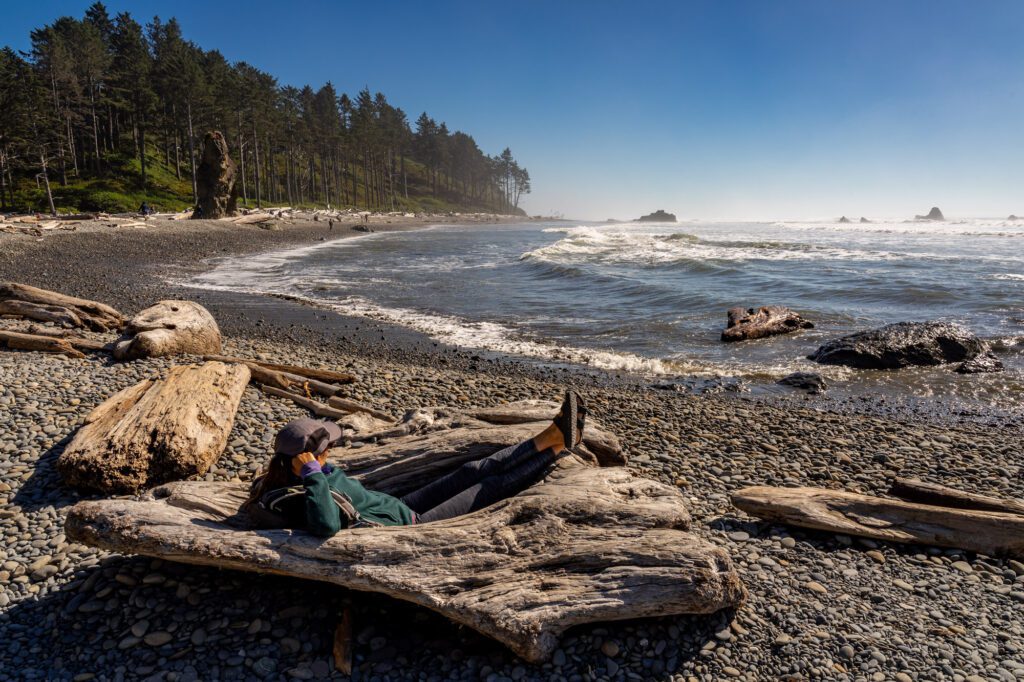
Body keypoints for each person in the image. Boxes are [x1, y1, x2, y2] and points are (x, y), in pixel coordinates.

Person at [245, 391, 587, 535]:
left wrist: (314, 469)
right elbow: (326, 527)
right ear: (305, 459)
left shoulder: (280, 476)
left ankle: (551, 435)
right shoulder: (302, 489)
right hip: (412, 523)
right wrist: (313, 474)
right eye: (326, 449)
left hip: (401, 505)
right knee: (488, 488)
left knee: (471, 471)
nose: (331, 451)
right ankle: (557, 449)